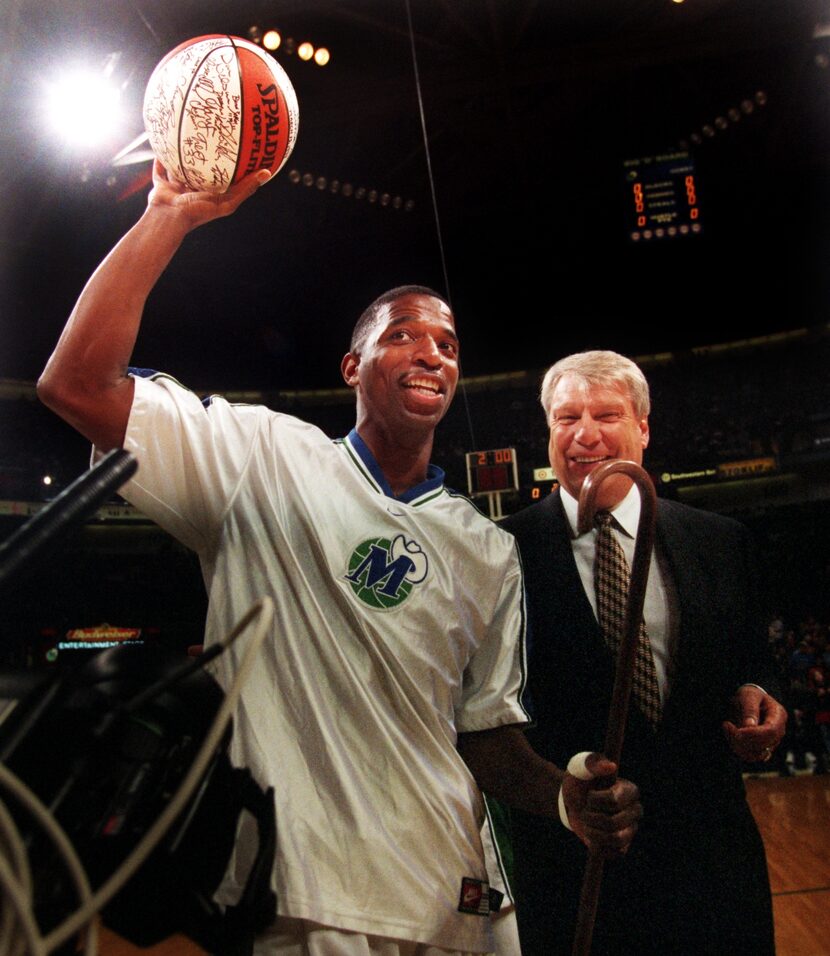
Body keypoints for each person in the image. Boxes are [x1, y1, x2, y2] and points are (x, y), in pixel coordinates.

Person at [37, 164, 641, 956]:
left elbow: (485, 737)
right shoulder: (257, 457)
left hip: (459, 898)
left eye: (447, 344)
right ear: (352, 367)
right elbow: (77, 383)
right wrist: (168, 216)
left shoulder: (485, 548)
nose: (430, 352)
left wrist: (564, 795)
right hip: (303, 900)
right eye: (401, 335)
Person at [500, 350, 788, 956]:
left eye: (607, 414)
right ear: (548, 431)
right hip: (576, 873)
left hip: (711, 863)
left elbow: (749, 664)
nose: (584, 434)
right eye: (566, 417)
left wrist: (759, 699)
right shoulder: (497, 552)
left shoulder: (718, 540)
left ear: (644, 428)